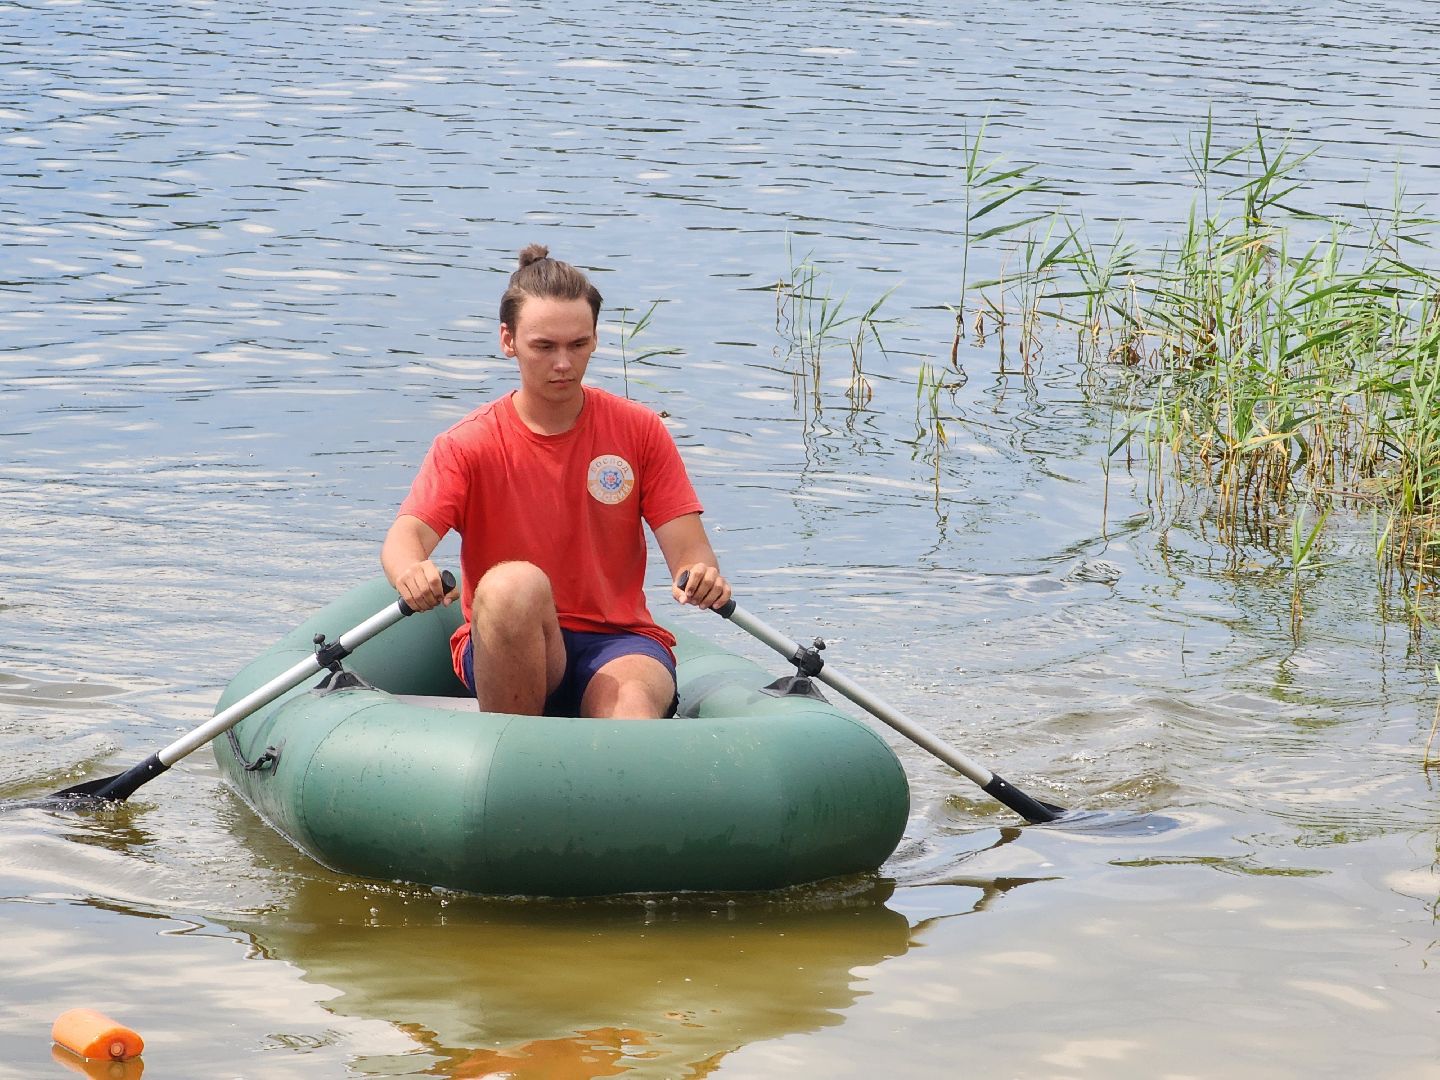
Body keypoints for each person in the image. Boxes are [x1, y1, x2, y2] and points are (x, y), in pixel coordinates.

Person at [381, 244, 731, 719]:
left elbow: (690, 555)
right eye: (544, 346)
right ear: (509, 341)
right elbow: (405, 538)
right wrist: (411, 571)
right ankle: (512, 755)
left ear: (594, 339)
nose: (563, 363)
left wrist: (703, 578)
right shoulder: (467, 443)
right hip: (510, 635)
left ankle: (625, 776)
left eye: (578, 344)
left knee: (630, 709)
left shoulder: (641, 430)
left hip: (619, 642)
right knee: (512, 584)